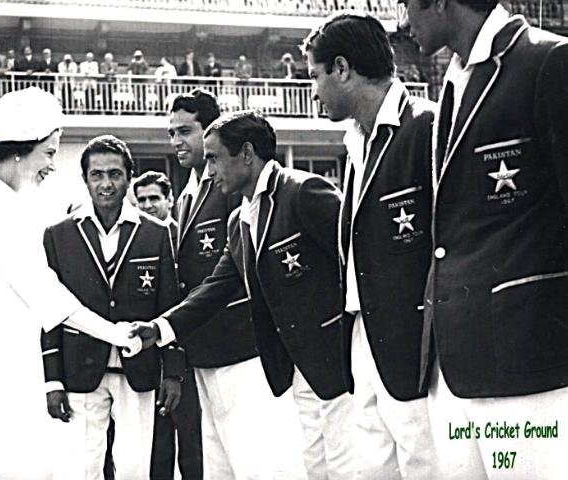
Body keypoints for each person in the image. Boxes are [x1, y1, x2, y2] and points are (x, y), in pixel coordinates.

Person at [135, 110, 360, 480]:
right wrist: (159, 329)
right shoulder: (240, 220)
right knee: (316, 466)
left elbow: (358, 258)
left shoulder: (304, 191)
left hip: (339, 360)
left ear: (247, 153)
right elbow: (216, 287)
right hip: (294, 368)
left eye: (213, 158)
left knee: (350, 466)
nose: (208, 171)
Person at [400, 0, 568, 478]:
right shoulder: (453, 81)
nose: (402, 22)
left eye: (406, 5)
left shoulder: (548, 62)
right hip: (453, 369)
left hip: (531, 365)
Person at [0, 87, 142, 480]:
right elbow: (49, 297)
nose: (53, 163)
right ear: (21, 150)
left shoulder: (17, 199)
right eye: (49, 153)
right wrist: (116, 333)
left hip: (22, 357)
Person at [303, 13, 438, 479]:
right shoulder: (355, 142)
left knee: (425, 462)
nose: (314, 91)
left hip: (416, 340)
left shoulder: (426, 127)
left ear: (342, 68)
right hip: (364, 332)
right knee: (372, 466)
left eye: (315, 76)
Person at [159, 90, 307, 480]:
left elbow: (232, 273)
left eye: (185, 131)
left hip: (242, 349)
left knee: (261, 462)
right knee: (222, 464)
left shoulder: (228, 187)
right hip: (204, 353)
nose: (176, 141)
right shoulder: (187, 196)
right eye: (171, 132)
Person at [41, 135, 184, 480]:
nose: (106, 184)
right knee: (82, 467)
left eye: (116, 174)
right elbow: (49, 312)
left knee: (134, 467)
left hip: (139, 368)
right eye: (97, 175)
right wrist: (52, 380)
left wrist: (174, 372)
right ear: (86, 179)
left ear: (129, 178)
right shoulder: (58, 235)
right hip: (80, 369)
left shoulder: (157, 233)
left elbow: (169, 304)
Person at [133, 170, 204, 480]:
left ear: (170, 200)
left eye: (154, 198)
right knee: (157, 446)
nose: (148, 205)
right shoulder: (139, 241)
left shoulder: (183, 237)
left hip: (188, 354)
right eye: (142, 200)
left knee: (192, 442)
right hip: (153, 356)